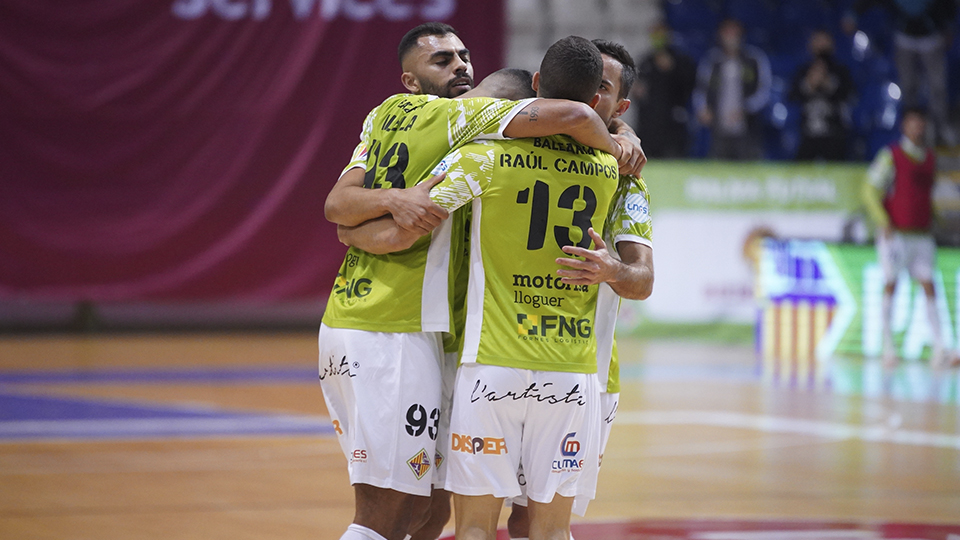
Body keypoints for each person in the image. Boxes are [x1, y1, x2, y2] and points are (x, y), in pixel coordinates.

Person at [321, 23, 646, 540]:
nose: (461, 67)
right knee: (391, 511)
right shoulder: (471, 122)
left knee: (432, 509)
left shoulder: (388, 116)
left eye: (464, 55)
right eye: (443, 61)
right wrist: (619, 143)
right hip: (398, 327)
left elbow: (338, 209)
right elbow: (576, 115)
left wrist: (360, 225)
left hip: (449, 344)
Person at [504, 38, 654, 540]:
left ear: (617, 106)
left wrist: (612, 270)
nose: (586, 100)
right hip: (500, 352)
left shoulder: (626, 178)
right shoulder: (517, 139)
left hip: (583, 368)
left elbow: (643, 280)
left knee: (539, 517)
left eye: (602, 90)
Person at [861, 106, 959, 370]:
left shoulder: (929, 159)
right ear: (904, 125)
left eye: (921, 123)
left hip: (922, 235)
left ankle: (940, 347)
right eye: (913, 123)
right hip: (897, 235)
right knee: (891, 285)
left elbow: (926, 197)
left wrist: (939, 221)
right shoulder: (891, 156)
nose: (918, 128)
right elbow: (869, 189)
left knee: (929, 286)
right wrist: (883, 221)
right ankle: (888, 346)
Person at [844, 0, 957, 146]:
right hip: (904, 37)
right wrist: (853, 14)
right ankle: (910, 132)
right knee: (908, 87)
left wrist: (948, 26)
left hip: (931, 37)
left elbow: (949, 5)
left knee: (937, 87)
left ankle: (940, 127)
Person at [693, 18, 771, 160]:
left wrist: (745, 109)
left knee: (747, 167)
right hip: (718, 126)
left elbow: (764, 91)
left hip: (747, 127)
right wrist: (703, 108)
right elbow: (700, 89)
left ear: (741, 35)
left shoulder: (754, 59)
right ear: (720, 35)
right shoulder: (712, 60)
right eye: (727, 33)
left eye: (734, 33)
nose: (730, 37)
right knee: (719, 167)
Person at [633, 21, 697, 158]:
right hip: (649, 123)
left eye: (661, 34)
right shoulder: (646, 61)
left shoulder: (680, 60)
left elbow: (689, 86)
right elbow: (638, 90)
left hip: (672, 122)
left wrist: (672, 69)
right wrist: (637, 91)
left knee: (673, 157)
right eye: (655, 34)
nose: (657, 37)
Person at [789, 29, 855, 161]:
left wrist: (827, 84)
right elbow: (792, 96)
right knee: (801, 166)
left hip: (833, 130)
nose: (821, 45)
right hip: (808, 131)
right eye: (817, 41)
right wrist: (809, 85)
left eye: (824, 41)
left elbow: (849, 95)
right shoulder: (803, 70)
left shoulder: (841, 71)